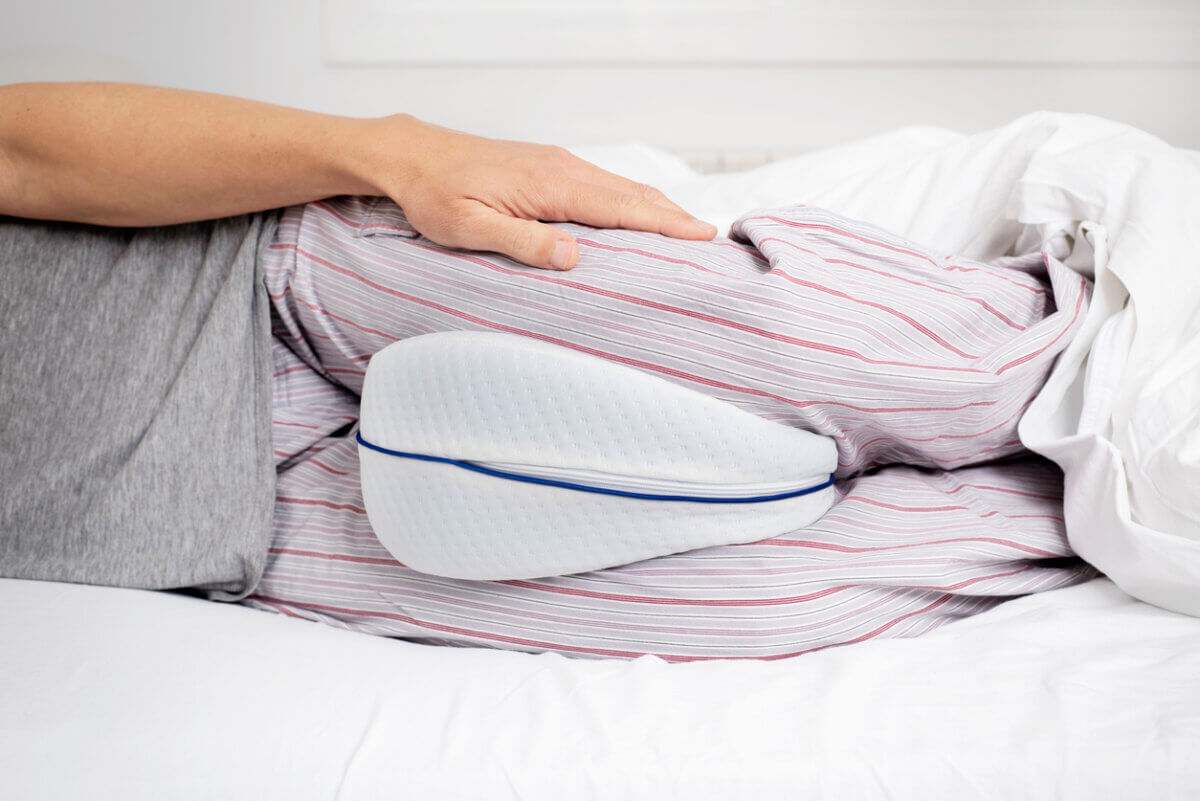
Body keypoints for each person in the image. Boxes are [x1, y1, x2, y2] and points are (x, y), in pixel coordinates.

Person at [0, 82, 1096, 661]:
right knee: (769, 605)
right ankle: (1125, 520)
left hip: (258, 288)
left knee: (834, 347)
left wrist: (395, 151)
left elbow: (24, 148)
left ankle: (1119, 358)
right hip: (201, 527)